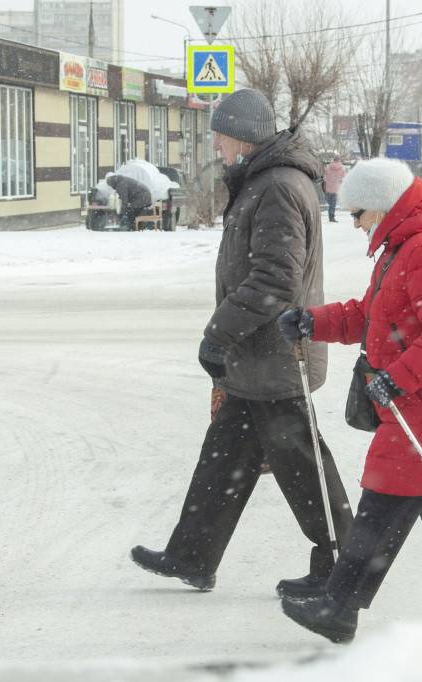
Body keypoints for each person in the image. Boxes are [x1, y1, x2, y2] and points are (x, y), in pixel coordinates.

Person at [130, 88, 354, 600]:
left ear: (241, 136)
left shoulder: (276, 186)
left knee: (303, 465)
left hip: (277, 356)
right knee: (225, 456)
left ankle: (342, 565)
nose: (216, 142)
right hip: (258, 358)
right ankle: (192, 555)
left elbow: (276, 279)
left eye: (220, 133)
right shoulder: (264, 180)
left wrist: (220, 332)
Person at [275, 158, 422, 643]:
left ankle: (339, 608)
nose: (356, 225)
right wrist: (313, 322)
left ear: (380, 206)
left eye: (357, 214)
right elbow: (374, 315)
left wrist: (396, 380)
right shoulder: (404, 245)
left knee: (385, 497)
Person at [323, 155, 347, 222]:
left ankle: (330, 216)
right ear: (339, 160)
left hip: (328, 187)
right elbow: (343, 178)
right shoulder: (342, 168)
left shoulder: (328, 167)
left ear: (333, 160)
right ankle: (331, 217)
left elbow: (324, 178)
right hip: (336, 188)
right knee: (333, 204)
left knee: (330, 203)